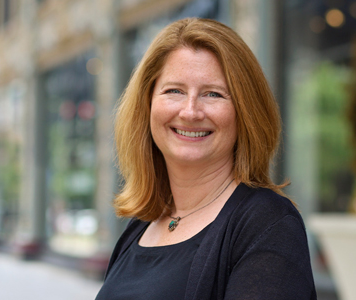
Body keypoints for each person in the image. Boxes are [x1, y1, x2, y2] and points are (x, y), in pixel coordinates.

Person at [96, 18, 316, 300]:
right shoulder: (142, 224)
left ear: (245, 112)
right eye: (174, 91)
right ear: (147, 104)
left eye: (213, 94)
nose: (190, 112)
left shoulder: (268, 225)